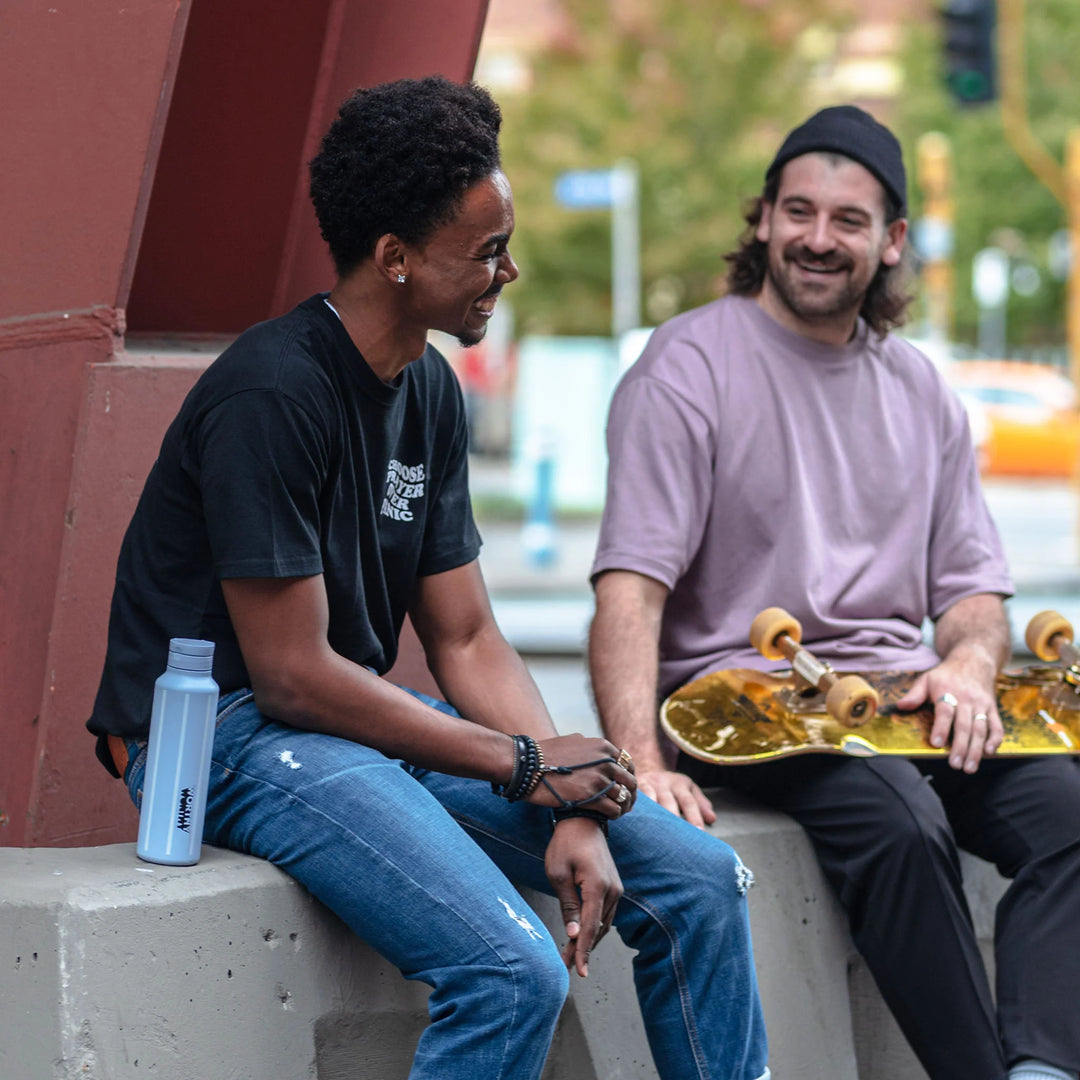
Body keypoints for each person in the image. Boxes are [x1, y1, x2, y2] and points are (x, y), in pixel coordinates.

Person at [87, 76, 768, 1080]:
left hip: (346, 722)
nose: (512, 270)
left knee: (702, 881)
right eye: (487, 252)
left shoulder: (431, 393)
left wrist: (569, 799)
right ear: (395, 258)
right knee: (509, 971)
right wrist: (526, 767)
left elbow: (467, 639)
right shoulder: (273, 393)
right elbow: (290, 676)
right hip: (219, 731)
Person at [589, 104, 1080, 1080]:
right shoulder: (686, 366)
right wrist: (640, 761)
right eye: (798, 212)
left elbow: (973, 591)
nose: (818, 239)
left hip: (900, 700)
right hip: (743, 706)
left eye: (848, 220)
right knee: (899, 820)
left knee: (1070, 812)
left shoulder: (921, 391)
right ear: (763, 219)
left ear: (892, 241)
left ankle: (1043, 1069)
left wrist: (972, 669)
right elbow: (630, 592)